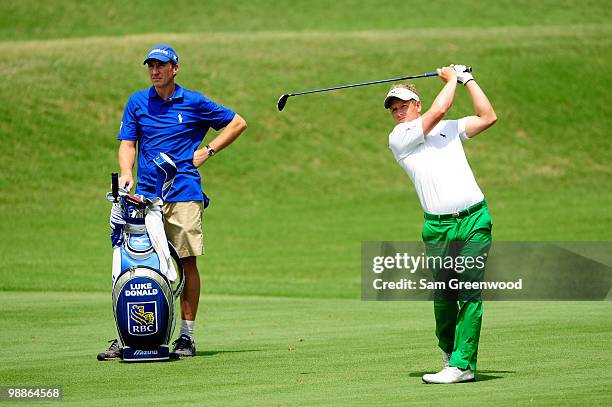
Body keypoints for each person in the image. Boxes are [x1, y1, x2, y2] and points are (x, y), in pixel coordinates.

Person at [98, 44, 247, 359]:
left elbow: (237, 123)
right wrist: (127, 172)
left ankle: (186, 337)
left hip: (183, 193)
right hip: (145, 197)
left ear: (174, 68)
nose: (155, 71)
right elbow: (127, 144)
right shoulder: (137, 102)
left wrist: (207, 152)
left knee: (186, 261)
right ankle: (128, 338)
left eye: (161, 66)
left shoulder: (192, 101)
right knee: (136, 263)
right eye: (151, 66)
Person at [383, 65, 496, 383]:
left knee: (470, 291)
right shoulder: (400, 138)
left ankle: (462, 366)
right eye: (394, 109)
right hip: (438, 228)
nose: (398, 112)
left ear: (416, 104)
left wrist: (469, 80)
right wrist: (452, 79)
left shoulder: (448, 128)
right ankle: (450, 351)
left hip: (474, 218)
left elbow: (488, 117)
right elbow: (442, 106)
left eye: (403, 105)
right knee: (444, 297)